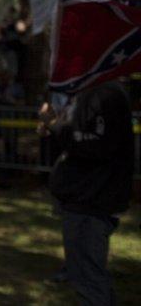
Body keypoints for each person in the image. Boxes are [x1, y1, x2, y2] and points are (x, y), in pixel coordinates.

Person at [39, 82, 133, 306]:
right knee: (88, 275)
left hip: (90, 201)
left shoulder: (104, 96)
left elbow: (90, 145)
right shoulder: (92, 95)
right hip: (84, 199)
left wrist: (54, 124)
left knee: (88, 277)